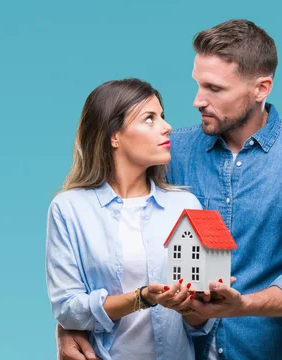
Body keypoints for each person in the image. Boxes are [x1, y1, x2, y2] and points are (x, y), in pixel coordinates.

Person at [56, 19, 282, 360]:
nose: (197, 101)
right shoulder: (169, 151)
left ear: (261, 88)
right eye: (198, 84)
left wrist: (243, 305)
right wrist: (70, 325)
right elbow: (98, 230)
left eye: (215, 89)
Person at [46, 78, 213, 360]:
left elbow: (201, 325)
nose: (166, 126)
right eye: (149, 118)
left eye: (162, 116)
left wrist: (196, 306)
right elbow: (67, 308)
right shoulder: (68, 209)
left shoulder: (187, 205)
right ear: (114, 136)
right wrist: (142, 297)